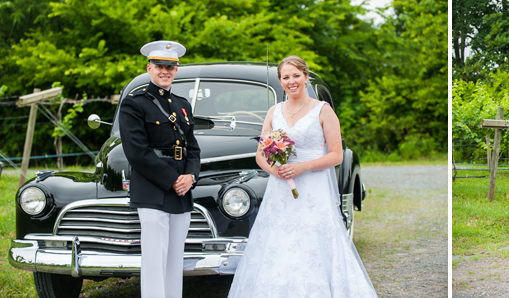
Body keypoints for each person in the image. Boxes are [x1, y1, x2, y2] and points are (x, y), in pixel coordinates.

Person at [227, 55, 377, 297]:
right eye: (286, 77)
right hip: (281, 188)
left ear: (306, 77)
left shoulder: (323, 110)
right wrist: (275, 170)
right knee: (278, 243)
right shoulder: (273, 112)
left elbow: (337, 155)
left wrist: (302, 167)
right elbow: (260, 154)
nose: (291, 81)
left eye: (296, 75)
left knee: (312, 242)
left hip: (313, 188)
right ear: (281, 81)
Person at [119, 40, 200, 298]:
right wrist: (173, 179)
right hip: (152, 189)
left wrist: (190, 177)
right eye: (159, 66)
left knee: (175, 260)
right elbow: (137, 152)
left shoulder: (182, 104)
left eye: (170, 66)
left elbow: (193, 148)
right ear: (149, 68)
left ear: (176, 70)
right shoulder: (135, 102)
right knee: (154, 260)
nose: (165, 71)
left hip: (181, 190)